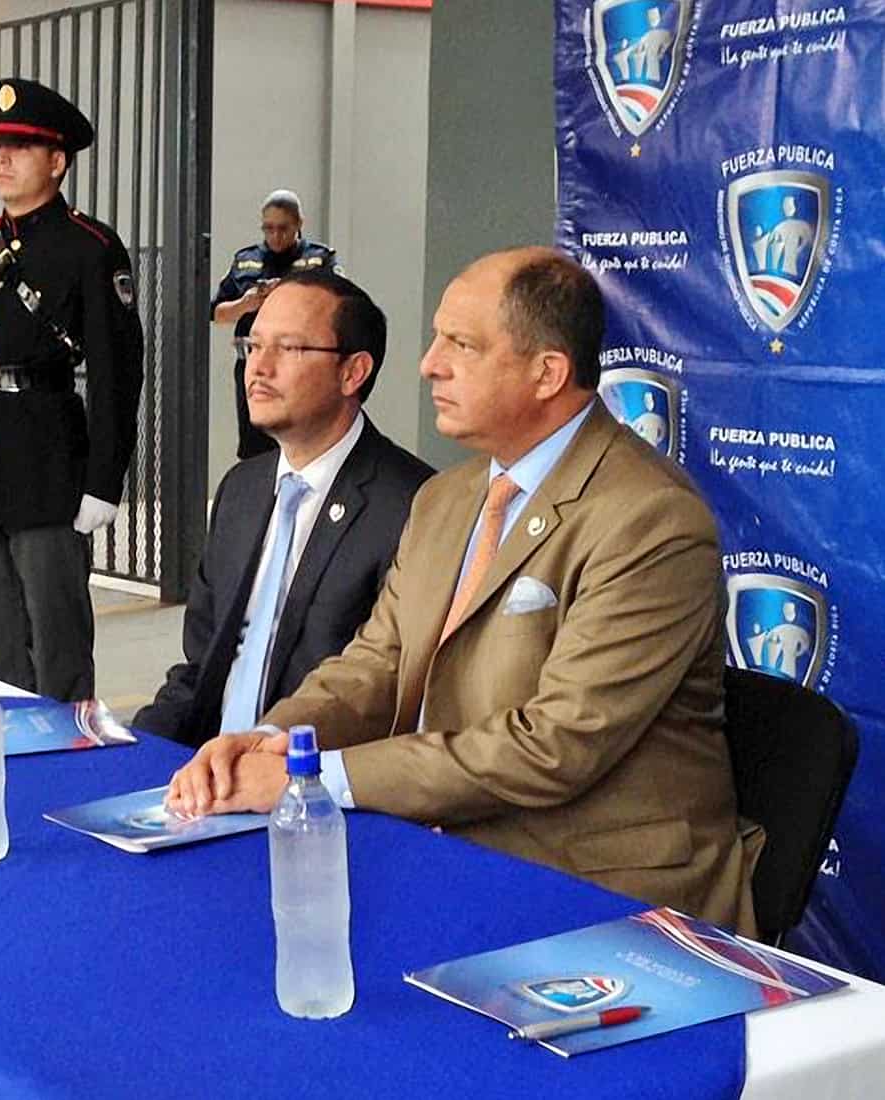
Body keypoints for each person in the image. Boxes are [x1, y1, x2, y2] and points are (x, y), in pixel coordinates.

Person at [167, 247, 763, 934]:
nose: (428, 364)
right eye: (436, 339)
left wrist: (320, 778)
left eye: (461, 344)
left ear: (547, 373)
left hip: (599, 893)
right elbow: (377, 663)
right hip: (447, 851)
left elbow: (554, 746)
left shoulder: (650, 520)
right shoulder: (446, 499)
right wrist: (273, 740)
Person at [134, 270, 431, 746]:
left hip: (310, 780)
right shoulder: (242, 490)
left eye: (288, 349)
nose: (259, 367)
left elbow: (387, 695)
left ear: (353, 372)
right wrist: (139, 750)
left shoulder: (413, 505)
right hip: (209, 768)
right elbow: (202, 666)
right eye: (252, 346)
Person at [0, 78, 144, 702]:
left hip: (48, 468)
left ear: (57, 161)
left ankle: (67, 758)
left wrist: (105, 479)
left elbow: (116, 372)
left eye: (20, 147)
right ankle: (1, 750)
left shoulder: (90, 249)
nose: (2, 158)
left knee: (58, 641)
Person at [211, 190, 339, 459]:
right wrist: (245, 304)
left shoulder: (318, 259)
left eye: (283, 228)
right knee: (255, 441)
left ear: (299, 224)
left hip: (301, 361)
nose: (275, 236)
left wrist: (291, 295)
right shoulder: (246, 260)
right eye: (268, 229)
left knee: (299, 436)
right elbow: (215, 313)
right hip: (253, 361)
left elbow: (338, 307)